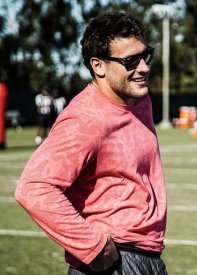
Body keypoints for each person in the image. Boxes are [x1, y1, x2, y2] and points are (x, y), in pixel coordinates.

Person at [15, 12, 168, 275]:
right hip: (114, 261)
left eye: (146, 55)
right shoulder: (85, 118)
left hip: (148, 257)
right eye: (131, 61)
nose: (144, 67)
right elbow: (33, 188)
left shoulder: (139, 100)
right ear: (98, 66)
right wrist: (93, 247)